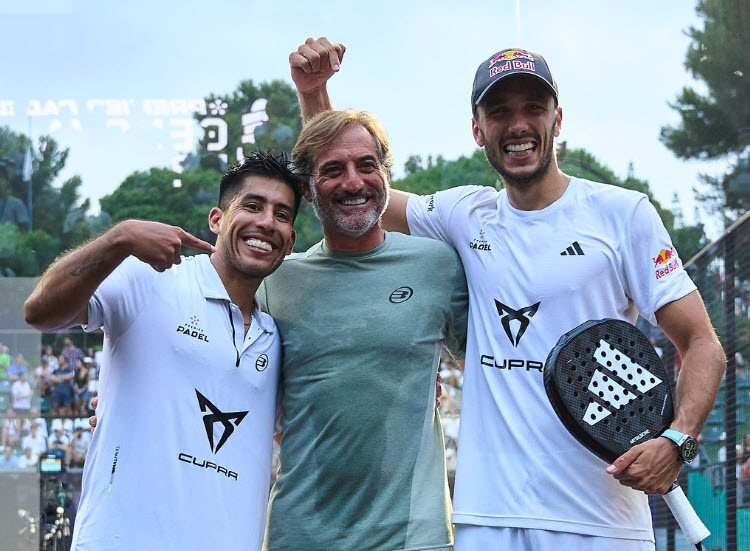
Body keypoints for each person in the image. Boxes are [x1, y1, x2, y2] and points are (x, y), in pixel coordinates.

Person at [292, 38, 726, 550]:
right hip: (487, 522)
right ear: (478, 130)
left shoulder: (623, 214)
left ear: (557, 120)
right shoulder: (464, 213)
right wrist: (315, 94)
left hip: (602, 524)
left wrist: (676, 441)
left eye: (533, 109)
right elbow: (354, 185)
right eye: (499, 112)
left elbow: (703, 344)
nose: (517, 125)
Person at [24, 151, 303, 551]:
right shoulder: (150, 279)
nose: (265, 222)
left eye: (282, 214)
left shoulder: (275, 337)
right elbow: (40, 312)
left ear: (290, 239)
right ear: (217, 220)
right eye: (252, 206)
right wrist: (117, 239)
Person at [259, 108, 468, 551]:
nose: (353, 183)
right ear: (307, 190)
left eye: (366, 166)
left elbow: (497, 367)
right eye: (332, 170)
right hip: (301, 538)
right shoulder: (275, 282)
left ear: (386, 174)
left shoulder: (437, 265)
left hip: (414, 539)